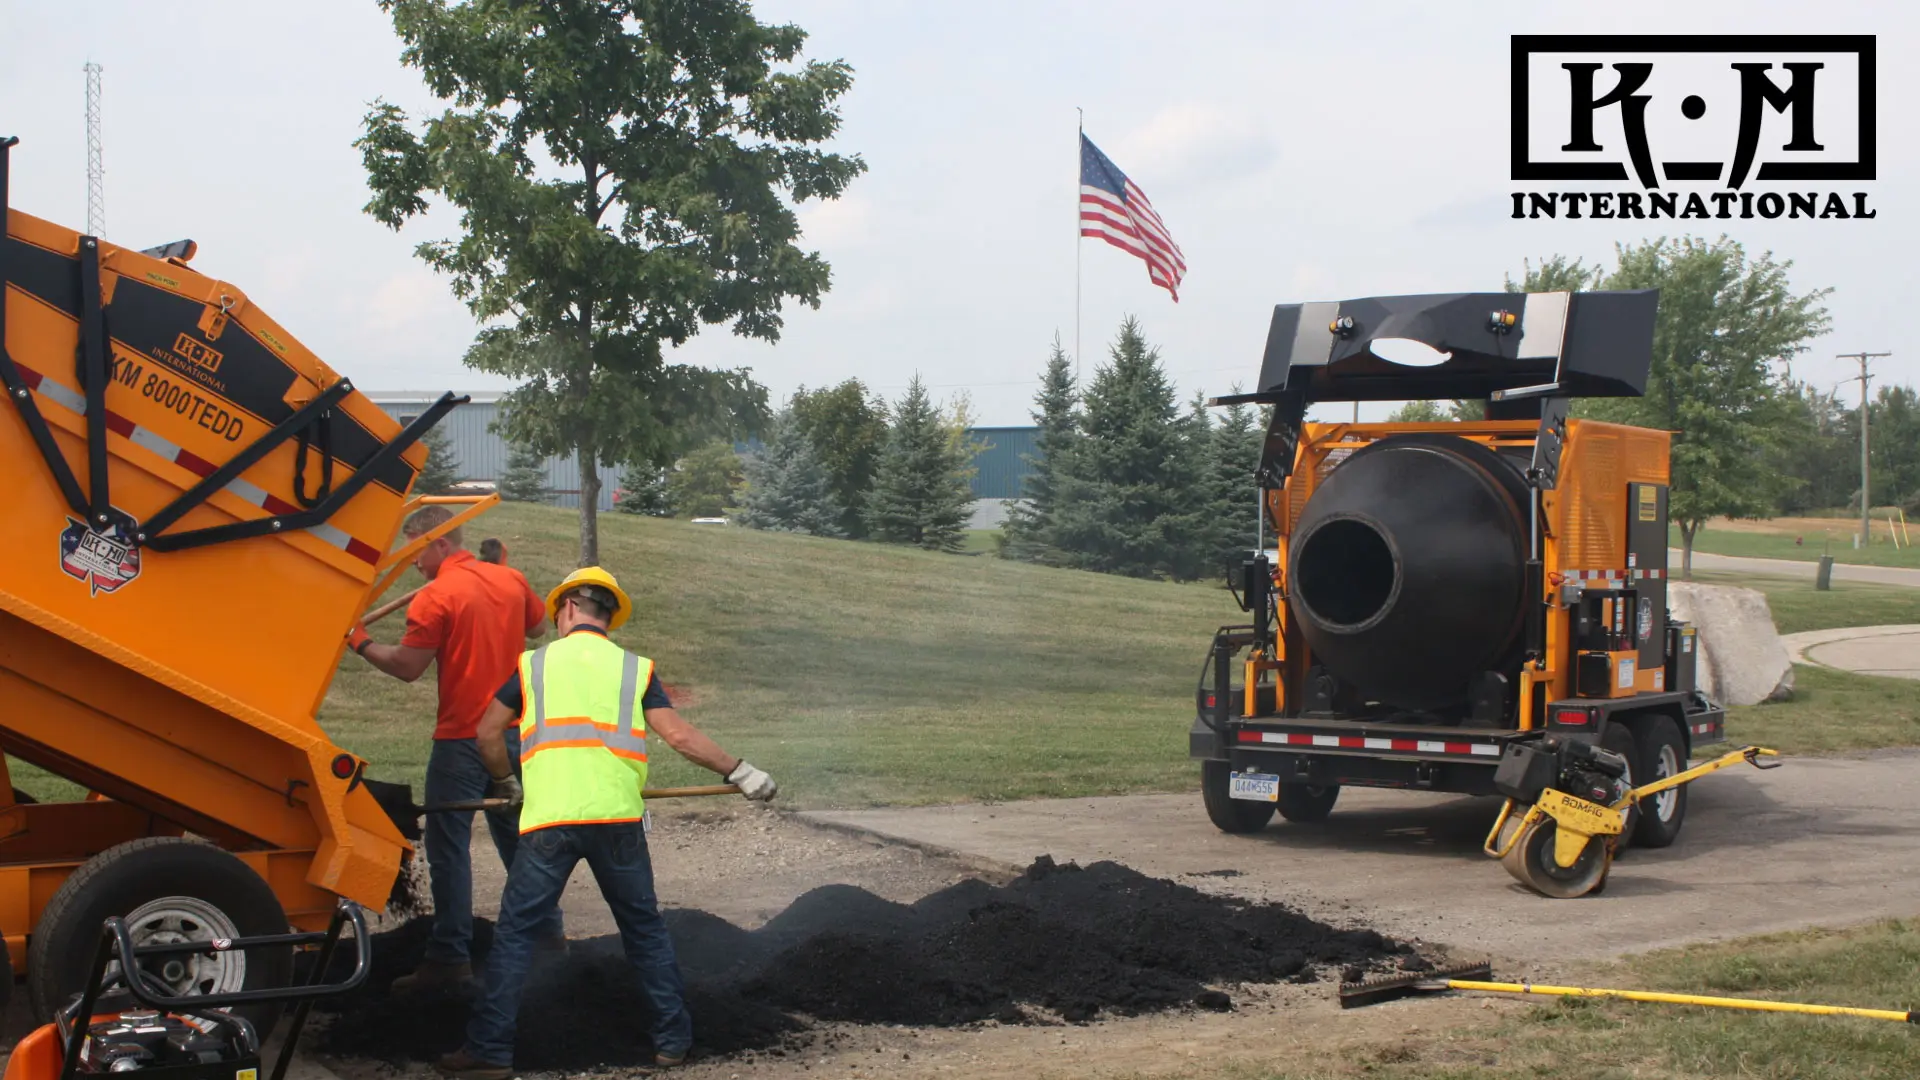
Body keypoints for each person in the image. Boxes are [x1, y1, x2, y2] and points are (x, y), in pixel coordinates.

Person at [435, 567, 777, 1079]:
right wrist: (740, 771)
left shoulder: (532, 666)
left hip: (549, 822)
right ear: (609, 615)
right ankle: (672, 1043)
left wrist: (508, 786)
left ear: (568, 607)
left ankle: (488, 1052)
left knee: (515, 937)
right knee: (644, 931)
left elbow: (486, 733)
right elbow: (678, 736)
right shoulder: (634, 669)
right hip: (617, 820)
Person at [347, 506, 563, 992]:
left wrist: (359, 642)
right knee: (520, 838)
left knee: (449, 850)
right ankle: (548, 935)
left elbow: (407, 666)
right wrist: (508, 577)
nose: (413, 565)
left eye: (415, 552)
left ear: (439, 543)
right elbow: (538, 629)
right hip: (513, 732)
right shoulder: (509, 578)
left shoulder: (436, 596)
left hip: (462, 738)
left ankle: (449, 957)